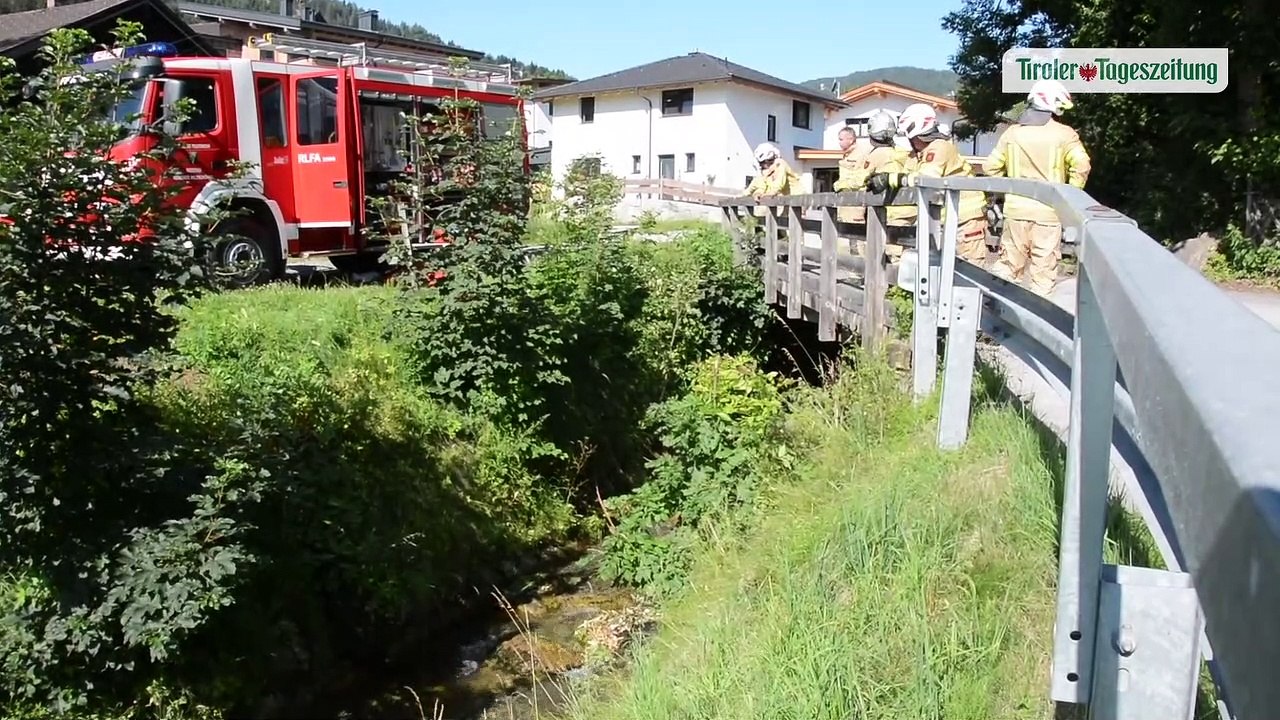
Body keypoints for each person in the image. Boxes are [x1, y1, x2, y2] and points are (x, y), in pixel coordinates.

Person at [982, 78, 1091, 296]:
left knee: (1007, 269)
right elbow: (1082, 165)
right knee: (1043, 276)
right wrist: (1070, 197)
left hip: (1015, 212)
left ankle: (997, 309)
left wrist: (1003, 195)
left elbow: (990, 167)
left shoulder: (1012, 133)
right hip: (1049, 215)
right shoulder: (1064, 133)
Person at [866, 102, 989, 263]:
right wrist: (884, 177)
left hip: (966, 218)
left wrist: (891, 179)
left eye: (911, 137)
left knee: (971, 270)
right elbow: (907, 173)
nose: (910, 141)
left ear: (920, 133)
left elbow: (926, 178)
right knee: (941, 269)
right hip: (945, 219)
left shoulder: (940, 147)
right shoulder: (918, 154)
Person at [850, 111, 916, 229]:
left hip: (889, 212)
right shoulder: (904, 153)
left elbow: (858, 182)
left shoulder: (876, 155)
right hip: (910, 210)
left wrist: (838, 185)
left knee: (886, 240)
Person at [832, 125, 870, 227]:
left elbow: (862, 179)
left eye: (841, 139)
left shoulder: (861, 154)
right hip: (845, 202)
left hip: (855, 203)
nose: (839, 142)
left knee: (855, 233)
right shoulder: (847, 155)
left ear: (851, 139)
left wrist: (840, 185)